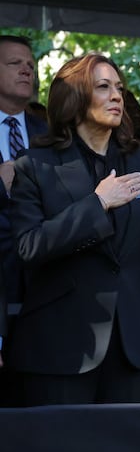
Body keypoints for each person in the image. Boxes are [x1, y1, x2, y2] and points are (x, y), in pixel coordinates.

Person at [8, 53, 140, 405]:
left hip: (133, 345)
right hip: (59, 345)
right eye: (103, 87)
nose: (117, 95)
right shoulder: (35, 165)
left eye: (119, 87)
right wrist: (97, 204)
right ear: (73, 97)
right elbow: (28, 248)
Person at [0, 36, 48, 333]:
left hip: (41, 281)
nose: (27, 70)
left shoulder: (51, 133)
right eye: (15, 63)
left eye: (30, 64)